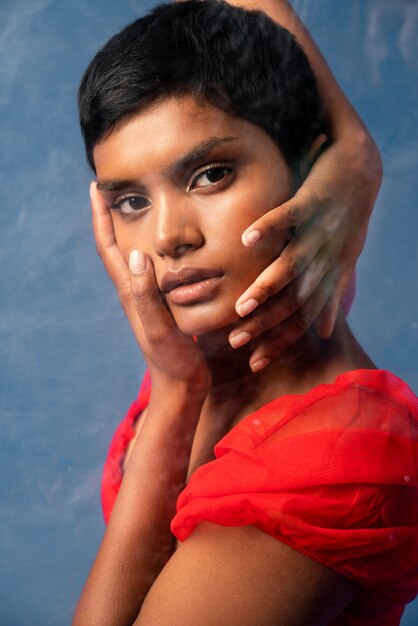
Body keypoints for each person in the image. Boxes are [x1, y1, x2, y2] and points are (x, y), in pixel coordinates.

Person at [73, 1, 418, 625]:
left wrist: (176, 396)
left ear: (310, 174)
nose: (168, 236)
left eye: (210, 175)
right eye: (129, 200)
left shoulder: (329, 464)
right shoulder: (226, 339)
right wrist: (356, 147)